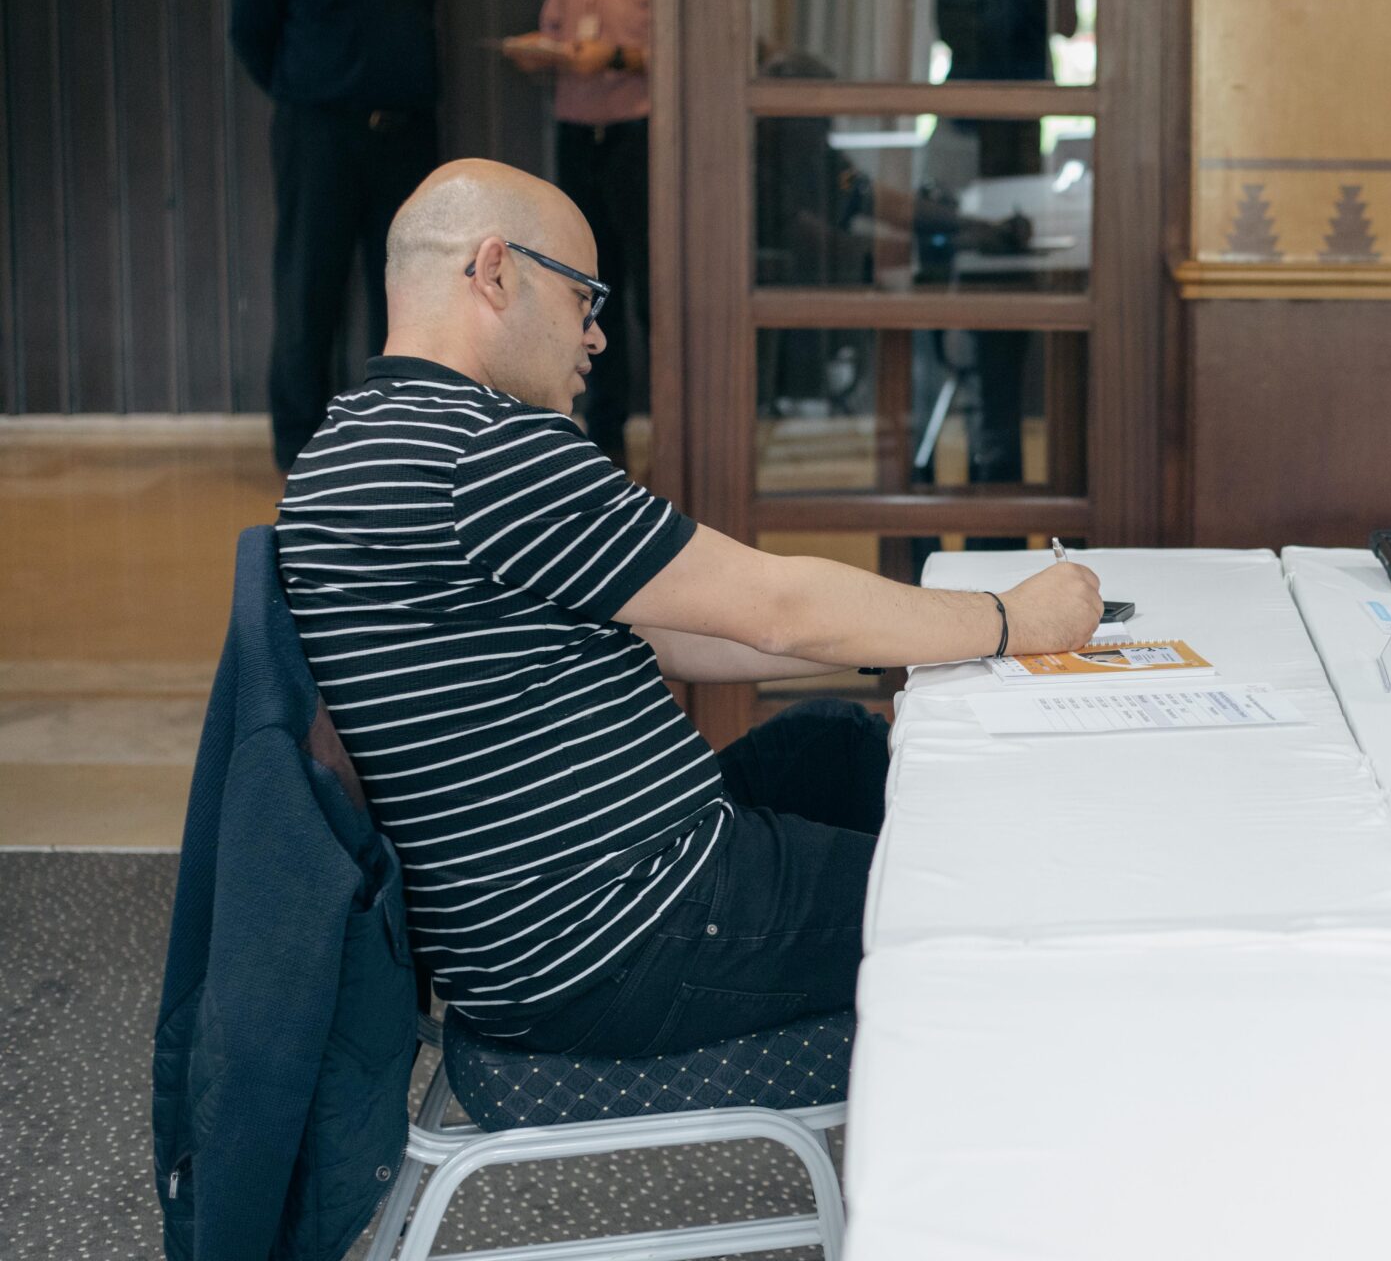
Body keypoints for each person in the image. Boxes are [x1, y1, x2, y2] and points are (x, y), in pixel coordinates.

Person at [275, 160, 1102, 1056]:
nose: (596, 336)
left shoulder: (358, 439)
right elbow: (775, 606)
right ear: (496, 271)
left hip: (554, 917)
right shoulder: (486, 450)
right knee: (982, 888)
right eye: (583, 298)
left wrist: (927, 634)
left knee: (831, 745)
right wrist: (1011, 621)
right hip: (617, 934)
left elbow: (681, 632)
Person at [231, 0, 443, 473]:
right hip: (319, 135)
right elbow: (251, 28)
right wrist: (309, 92)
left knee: (409, 294)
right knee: (309, 287)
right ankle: (302, 453)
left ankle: (398, 447)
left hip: (406, 136)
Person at [504, 0, 653, 468]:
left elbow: (690, 47)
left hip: (639, 138)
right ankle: (606, 437)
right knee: (592, 289)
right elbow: (557, 30)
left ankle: (677, 431)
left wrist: (616, 57)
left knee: (653, 289)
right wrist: (541, 53)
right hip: (577, 138)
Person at [931, 0, 1079, 500]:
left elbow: (1068, 25)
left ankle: (1002, 428)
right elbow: (953, 37)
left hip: (1021, 135)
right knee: (962, 269)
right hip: (966, 133)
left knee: (1012, 266)